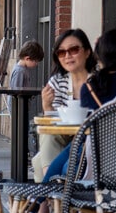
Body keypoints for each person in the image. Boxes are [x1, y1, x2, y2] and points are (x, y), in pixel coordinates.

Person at [31, 28, 96, 182]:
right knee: (48, 133)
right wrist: (47, 107)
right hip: (64, 139)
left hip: (89, 139)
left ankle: (47, 195)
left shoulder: (98, 81)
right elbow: (53, 122)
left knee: (39, 160)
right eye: (61, 52)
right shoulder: (58, 82)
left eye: (73, 50)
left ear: (87, 52)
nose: (67, 56)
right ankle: (52, 190)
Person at [8, 40, 44, 109]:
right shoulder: (20, 71)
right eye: (35, 61)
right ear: (27, 58)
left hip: (22, 105)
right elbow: (16, 91)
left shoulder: (24, 69)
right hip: (17, 107)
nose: (36, 64)